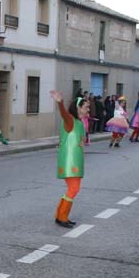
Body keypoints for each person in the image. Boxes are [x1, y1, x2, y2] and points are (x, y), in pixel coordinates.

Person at [50, 90, 89, 228]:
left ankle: (61, 215)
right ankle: (62, 217)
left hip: (75, 161)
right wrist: (60, 102)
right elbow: (64, 114)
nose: (87, 109)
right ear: (78, 108)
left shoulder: (79, 122)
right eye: (85, 107)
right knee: (74, 188)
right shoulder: (70, 121)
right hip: (69, 161)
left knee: (73, 188)